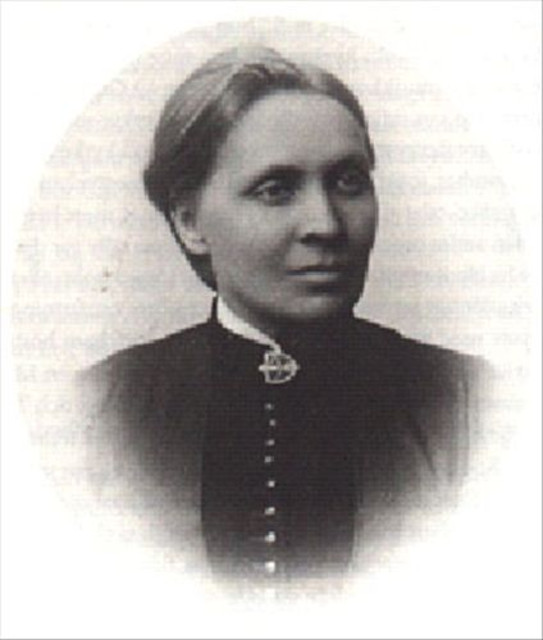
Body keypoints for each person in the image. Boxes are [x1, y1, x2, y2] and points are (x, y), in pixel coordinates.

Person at [78, 46, 489, 588]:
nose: (326, 225)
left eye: (348, 182)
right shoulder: (98, 411)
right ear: (189, 222)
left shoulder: (470, 404)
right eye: (276, 190)